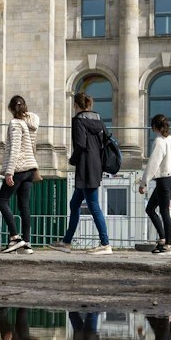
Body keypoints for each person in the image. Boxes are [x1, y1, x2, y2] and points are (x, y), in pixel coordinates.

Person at [56, 90, 112, 253]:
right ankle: (67, 242)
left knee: (93, 205)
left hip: (85, 167)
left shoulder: (78, 121)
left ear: (75, 105)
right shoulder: (99, 121)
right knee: (74, 204)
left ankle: (105, 243)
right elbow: (105, 142)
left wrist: (73, 159)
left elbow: (80, 144)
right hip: (96, 166)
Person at [0, 95, 39, 253]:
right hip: (30, 169)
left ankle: (15, 238)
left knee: (2, 201)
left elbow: (14, 148)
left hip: (19, 168)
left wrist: (9, 172)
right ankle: (26, 244)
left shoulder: (15, 124)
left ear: (11, 108)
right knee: (24, 205)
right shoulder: (30, 123)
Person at [138, 113, 171, 254]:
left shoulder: (159, 141)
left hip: (163, 180)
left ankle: (168, 244)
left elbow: (153, 163)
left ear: (155, 127)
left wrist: (143, 182)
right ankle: (163, 238)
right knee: (151, 209)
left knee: (163, 211)